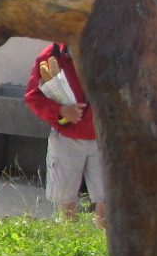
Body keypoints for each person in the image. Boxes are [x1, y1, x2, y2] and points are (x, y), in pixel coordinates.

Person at [24, 42, 106, 226]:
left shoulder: (109, 48)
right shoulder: (51, 55)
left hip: (104, 137)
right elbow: (33, 96)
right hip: (67, 137)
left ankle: (103, 245)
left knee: (107, 200)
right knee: (66, 200)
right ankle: (70, 244)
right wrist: (60, 110)